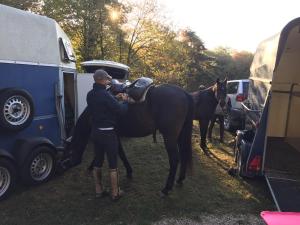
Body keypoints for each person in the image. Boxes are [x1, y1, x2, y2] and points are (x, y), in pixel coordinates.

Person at [86, 69, 128, 201]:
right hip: (108, 134)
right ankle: (115, 193)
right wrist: (125, 101)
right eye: (107, 79)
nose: (108, 81)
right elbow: (120, 111)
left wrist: (115, 98)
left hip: (96, 133)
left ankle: (99, 190)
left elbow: (102, 104)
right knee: (112, 163)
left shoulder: (90, 94)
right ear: (101, 80)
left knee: (98, 161)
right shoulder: (105, 95)